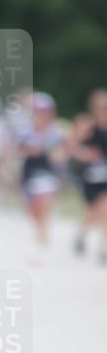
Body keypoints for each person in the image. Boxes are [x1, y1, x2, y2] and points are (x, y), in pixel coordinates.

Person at [17, 91, 65, 252]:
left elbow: (59, 156)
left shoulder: (56, 131)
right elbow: (19, 151)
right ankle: (40, 233)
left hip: (48, 173)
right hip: (29, 173)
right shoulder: (26, 131)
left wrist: (46, 151)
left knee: (44, 205)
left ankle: (42, 240)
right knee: (33, 210)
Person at [67, 89, 107, 264]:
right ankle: (82, 235)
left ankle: (103, 249)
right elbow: (71, 146)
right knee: (93, 211)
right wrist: (85, 154)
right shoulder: (87, 125)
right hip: (90, 176)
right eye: (101, 106)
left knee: (104, 208)